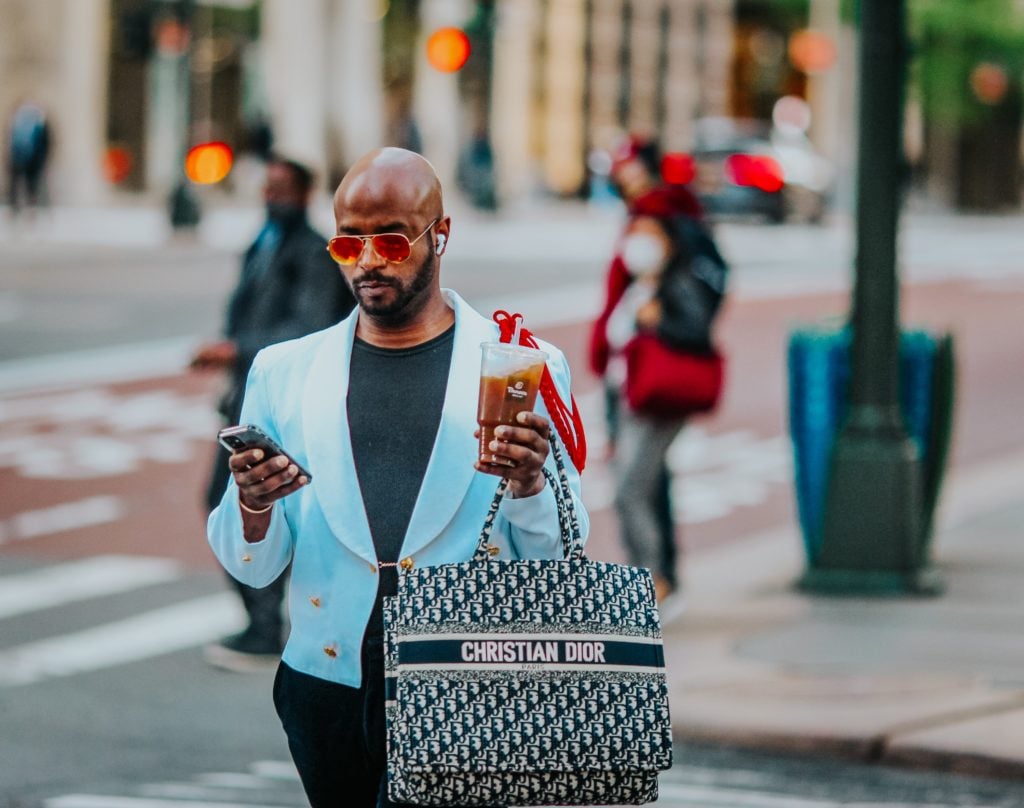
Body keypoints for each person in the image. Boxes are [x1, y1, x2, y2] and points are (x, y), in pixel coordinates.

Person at [206, 147, 588, 808]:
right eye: (348, 243)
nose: (368, 260)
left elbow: (563, 556)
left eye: (389, 239)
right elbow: (254, 566)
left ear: (440, 235)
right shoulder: (284, 371)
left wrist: (529, 486)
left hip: (466, 680)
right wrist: (254, 506)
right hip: (324, 678)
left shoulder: (520, 364)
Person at [192, 155, 356, 671]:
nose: (271, 197)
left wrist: (234, 348)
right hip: (248, 392)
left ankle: (269, 624)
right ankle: (263, 618)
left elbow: (308, 327)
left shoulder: (311, 253)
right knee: (234, 500)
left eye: (282, 189)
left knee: (258, 498)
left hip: (288, 400)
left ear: (305, 195)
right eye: (268, 187)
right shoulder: (261, 244)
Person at [588, 136, 711, 605]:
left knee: (631, 485)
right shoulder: (641, 233)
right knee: (639, 478)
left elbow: (700, 308)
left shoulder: (672, 221)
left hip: (656, 379)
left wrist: (663, 312)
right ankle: (655, 575)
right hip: (627, 379)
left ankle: (653, 579)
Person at [7, 101, 50, 215]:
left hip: (21, 159)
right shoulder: (38, 125)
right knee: (29, 184)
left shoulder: (18, 122)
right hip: (30, 161)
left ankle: (19, 207)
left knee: (21, 183)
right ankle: (28, 207)